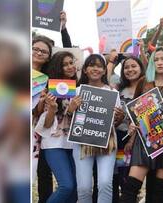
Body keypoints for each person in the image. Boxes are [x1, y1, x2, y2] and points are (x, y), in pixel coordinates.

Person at [120, 47, 163, 203]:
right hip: (144, 141)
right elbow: (133, 111)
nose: (160, 62)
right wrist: (132, 128)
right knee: (130, 189)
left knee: (159, 194)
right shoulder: (144, 83)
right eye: (156, 59)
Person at [70, 54, 125, 203]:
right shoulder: (76, 91)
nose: (95, 68)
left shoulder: (113, 93)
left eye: (100, 65)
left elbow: (115, 123)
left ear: (103, 70)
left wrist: (120, 117)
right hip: (82, 143)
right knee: (83, 188)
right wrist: (70, 109)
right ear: (85, 70)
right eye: (91, 65)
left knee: (105, 183)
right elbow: (68, 121)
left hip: (107, 143)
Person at [34, 51, 78, 203]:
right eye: (64, 64)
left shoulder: (79, 89)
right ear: (57, 68)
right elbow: (46, 125)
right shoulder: (50, 89)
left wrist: (72, 109)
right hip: (54, 144)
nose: (70, 67)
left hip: (74, 144)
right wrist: (52, 108)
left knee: (74, 192)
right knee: (66, 186)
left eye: (71, 63)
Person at [112, 56, 145, 202]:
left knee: (129, 180)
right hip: (117, 136)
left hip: (137, 140)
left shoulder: (147, 88)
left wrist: (131, 140)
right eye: (126, 67)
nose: (130, 70)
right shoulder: (118, 89)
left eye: (134, 66)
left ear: (141, 68)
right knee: (116, 175)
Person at [32, 35, 54, 203]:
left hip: (35, 131)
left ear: (48, 56)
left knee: (42, 172)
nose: (39, 53)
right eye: (35, 49)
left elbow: (39, 112)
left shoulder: (48, 80)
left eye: (44, 51)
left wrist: (41, 102)